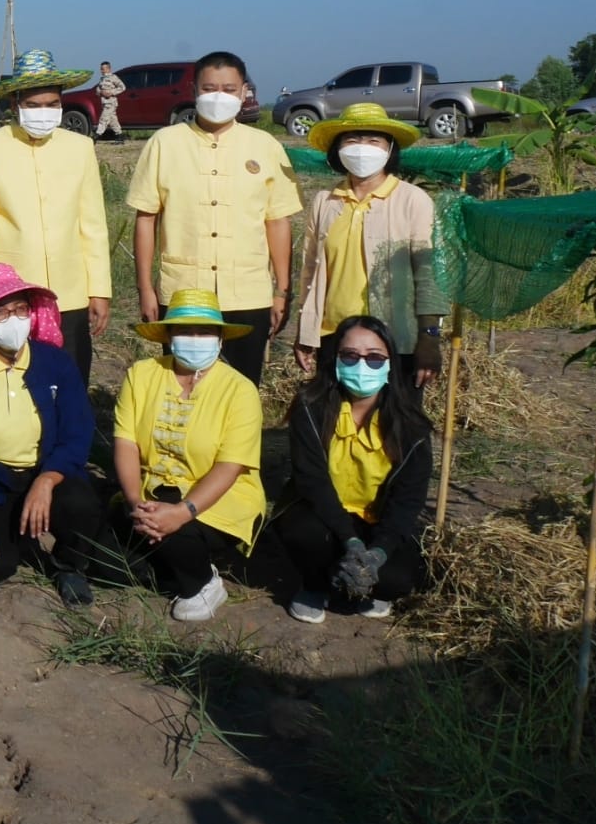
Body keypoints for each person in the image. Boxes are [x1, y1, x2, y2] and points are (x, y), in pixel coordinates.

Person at [0, 264, 103, 606]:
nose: (14, 319)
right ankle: (14, 538)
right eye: (1, 313)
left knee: (82, 505)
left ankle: (69, 565)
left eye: (21, 309)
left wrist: (47, 480)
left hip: (46, 475)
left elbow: (77, 433)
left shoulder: (56, 363)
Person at [126, 51, 298, 384]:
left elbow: (277, 221)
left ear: (244, 91)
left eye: (229, 89)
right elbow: (146, 219)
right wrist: (145, 288)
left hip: (248, 291)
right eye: (210, 88)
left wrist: (281, 290)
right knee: (181, 381)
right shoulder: (165, 143)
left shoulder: (265, 145)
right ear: (193, 90)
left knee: (243, 384)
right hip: (183, 290)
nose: (219, 96)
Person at [111, 290, 266, 621]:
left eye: (205, 331)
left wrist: (183, 512)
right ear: (168, 336)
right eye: (185, 331)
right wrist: (135, 501)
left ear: (221, 339)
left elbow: (231, 465)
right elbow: (126, 442)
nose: (195, 339)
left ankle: (203, 581)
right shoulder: (141, 374)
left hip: (219, 498)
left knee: (174, 535)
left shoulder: (240, 390)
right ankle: (169, 570)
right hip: (152, 491)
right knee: (106, 556)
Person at [0, 50, 111, 380]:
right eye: (33, 105)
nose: (44, 112)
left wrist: (99, 289)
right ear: (14, 105)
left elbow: (93, 225)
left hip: (70, 291)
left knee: (70, 378)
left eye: (51, 104)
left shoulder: (80, 148)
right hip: (10, 294)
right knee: (16, 379)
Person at [275, 316, 432, 623]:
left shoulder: (411, 427)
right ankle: (314, 585)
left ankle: (359, 580)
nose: (362, 365)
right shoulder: (310, 407)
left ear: (390, 365)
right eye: (350, 355)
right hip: (324, 515)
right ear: (335, 360)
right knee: (303, 534)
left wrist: (378, 552)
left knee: (398, 579)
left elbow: (407, 501)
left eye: (375, 357)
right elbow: (312, 482)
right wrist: (351, 541)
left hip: (377, 520)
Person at [295, 103, 446, 388]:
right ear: (337, 150)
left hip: (394, 338)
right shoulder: (324, 202)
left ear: (389, 149)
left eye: (373, 140)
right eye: (352, 140)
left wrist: (429, 338)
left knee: (395, 423)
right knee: (335, 420)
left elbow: (429, 274)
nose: (362, 147)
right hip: (334, 335)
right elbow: (310, 272)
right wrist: (306, 333)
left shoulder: (412, 200)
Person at [95, 63, 126, 141]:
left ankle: (97, 135)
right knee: (113, 120)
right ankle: (119, 135)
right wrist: (101, 92)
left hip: (111, 102)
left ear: (108, 69)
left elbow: (122, 87)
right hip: (104, 103)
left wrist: (111, 92)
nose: (101, 70)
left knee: (103, 119)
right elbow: (97, 90)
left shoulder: (113, 77)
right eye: (101, 68)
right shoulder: (102, 79)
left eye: (103, 68)